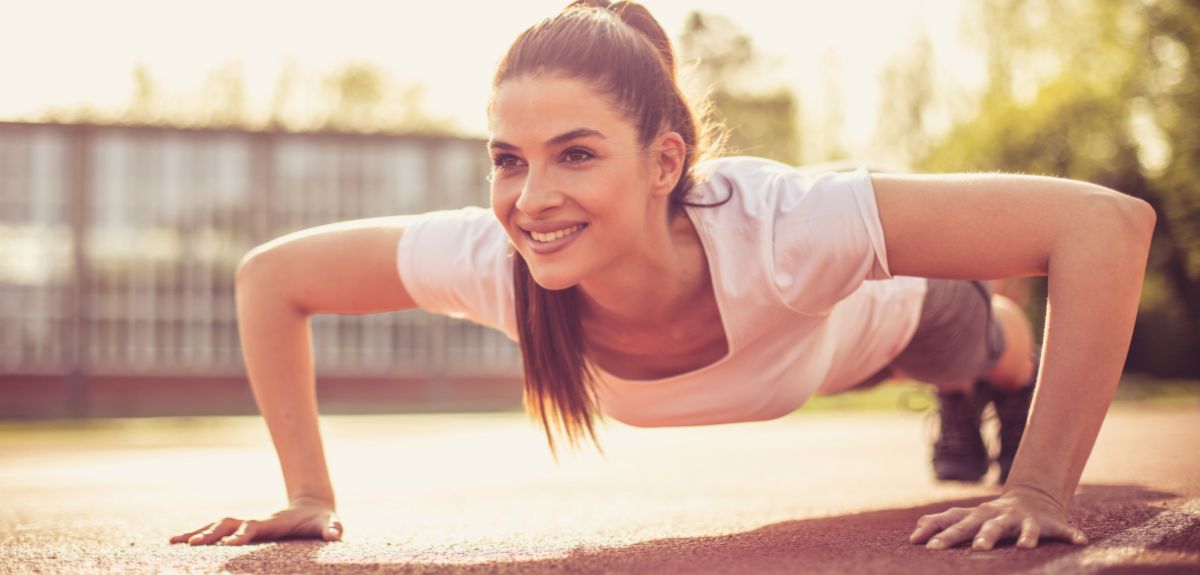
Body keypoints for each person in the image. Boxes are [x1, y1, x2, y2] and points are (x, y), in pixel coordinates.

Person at [169, 0, 1155, 552]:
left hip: (887, 326)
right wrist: (307, 491)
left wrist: (1039, 482)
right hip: (804, 361)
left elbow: (1106, 226)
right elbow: (271, 278)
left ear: (666, 161)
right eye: (509, 158)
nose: (531, 196)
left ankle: (975, 384)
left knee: (984, 346)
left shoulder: (784, 226)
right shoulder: (492, 258)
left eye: (576, 154)